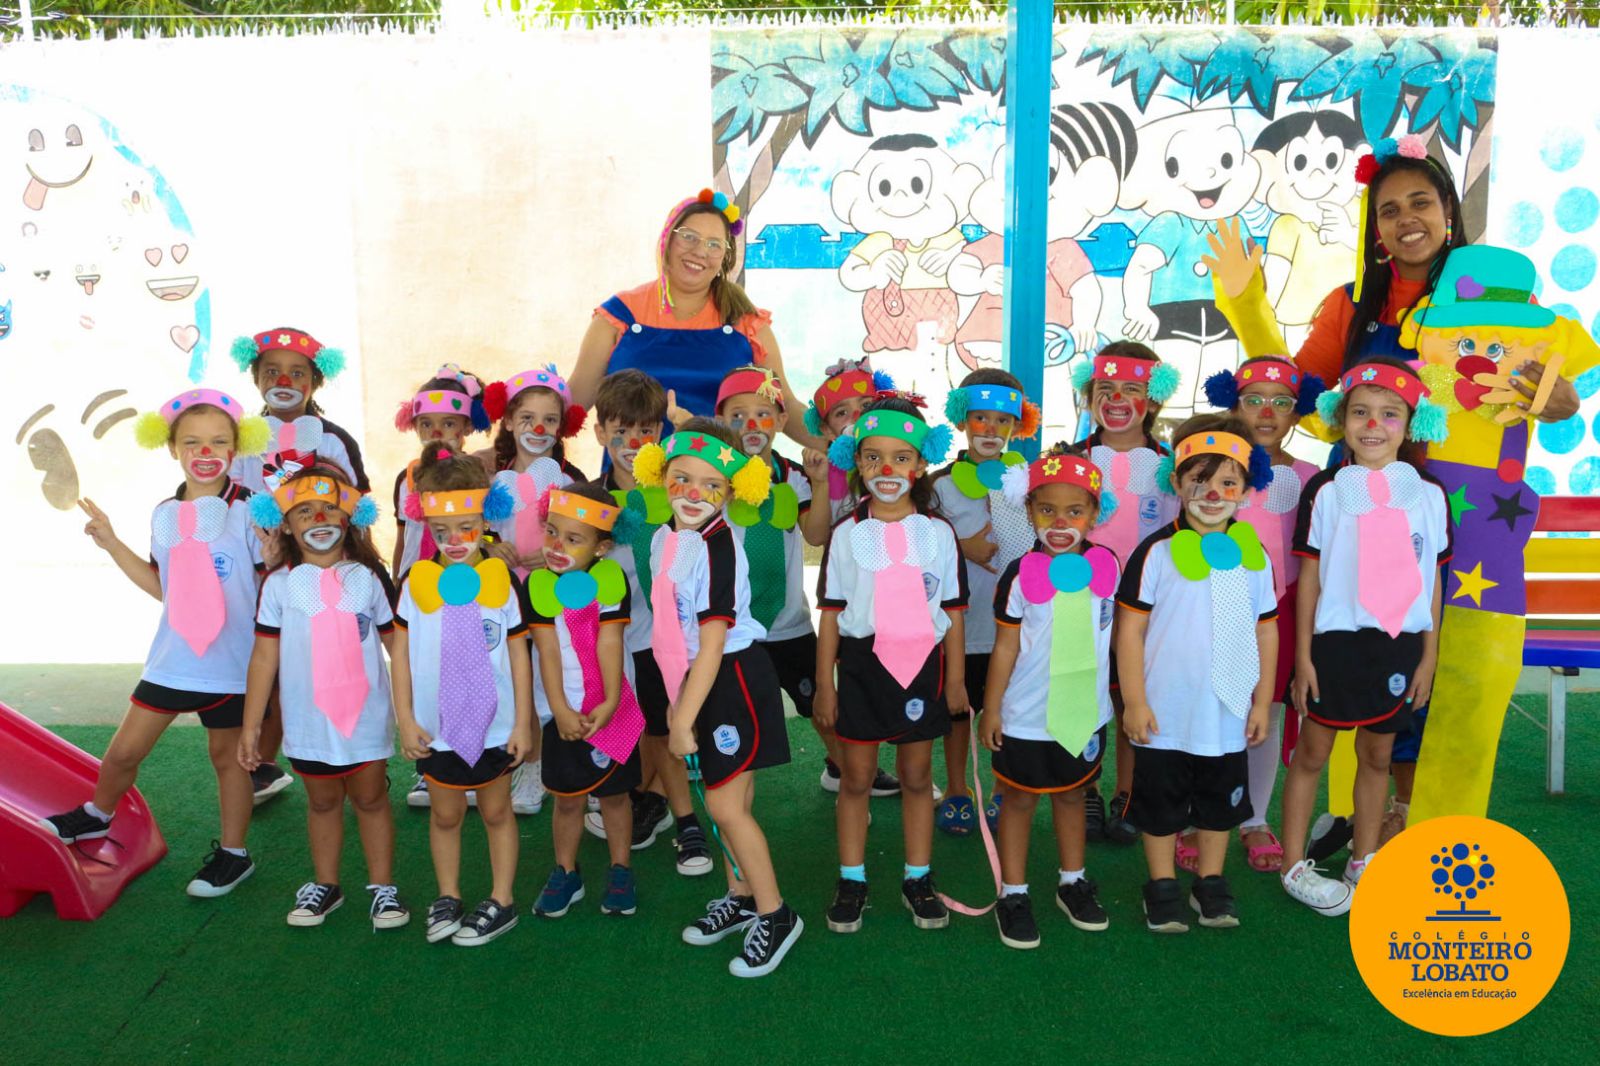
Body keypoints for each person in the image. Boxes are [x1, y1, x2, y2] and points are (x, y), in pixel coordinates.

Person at [1204, 134, 1584, 834]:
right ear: (1374, 229)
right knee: (1362, 664)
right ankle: (1357, 823)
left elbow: (1560, 401)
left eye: (1421, 202)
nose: (1406, 219)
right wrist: (1247, 307)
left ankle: (1438, 832)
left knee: (1463, 679)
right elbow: (1302, 401)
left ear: (1448, 211)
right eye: (1389, 209)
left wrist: (1544, 390)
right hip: (1361, 522)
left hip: (1475, 526)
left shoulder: (1506, 302)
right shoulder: (1351, 305)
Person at [45, 389, 269, 899]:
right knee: (124, 751)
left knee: (228, 759)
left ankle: (234, 854)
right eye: (191, 442)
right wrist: (111, 542)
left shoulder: (252, 510)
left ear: (236, 448)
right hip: (174, 658)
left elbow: (269, 584)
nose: (205, 451)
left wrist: (276, 555)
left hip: (232, 663)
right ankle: (98, 814)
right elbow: (164, 587)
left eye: (219, 441)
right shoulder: (164, 513)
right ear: (172, 448)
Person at [633, 420, 802, 977]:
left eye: (711, 485)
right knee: (722, 802)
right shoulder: (664, 537)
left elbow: (711, 642)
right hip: (698, 678)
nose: (693, 494)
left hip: (732, 677)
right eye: (681, 478)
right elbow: (671, 628)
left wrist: (683, 717)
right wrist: (677, 695)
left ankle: (776, 913)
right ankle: (742, 895)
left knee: (727, 807)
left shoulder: (720, 547)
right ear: (661, 475)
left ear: (731, 491)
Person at [1281, 359, 1449, 915]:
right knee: (1313, 752)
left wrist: (1428, 657)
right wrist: (1304, 658)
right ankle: (1293, 864)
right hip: (1335, 644)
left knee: (1377, 755)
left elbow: (1433, 581)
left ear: (1411, 424)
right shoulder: (1326, 491)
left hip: (1400, 645)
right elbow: (1310, 577)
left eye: (1389, 414)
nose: (1373, 425)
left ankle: (1364, 857)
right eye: (1360, 412)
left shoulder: (1430, 494)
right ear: (1341, 419)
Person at [1116, 415, 1277, 932]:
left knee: (1219, 804)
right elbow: (1130, 632)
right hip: (1165, 709)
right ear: (1176, 482)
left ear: (1247, 490)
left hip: (1226, 711)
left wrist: (1261, 701)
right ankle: (1162, 886)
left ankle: (1211, 882)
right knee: (1160, 804)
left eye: (1228, 482)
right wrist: (1135, 701)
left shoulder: (1255, 558)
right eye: (1199, 480)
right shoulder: (1155, 552)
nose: (1212, 494)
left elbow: (1266, 631)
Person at [816, 398, 968, 935]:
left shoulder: (939, 532)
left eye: (901, 458)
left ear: (921, 465)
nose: (887, 469)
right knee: (857, 777)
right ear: (857, 462)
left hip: (922, 664)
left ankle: (917, 878)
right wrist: (827, 685)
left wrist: (955, 680)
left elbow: (953, 609)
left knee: (917, 776)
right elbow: (831, 613)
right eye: (874, 457)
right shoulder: (845, 532)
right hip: (862, 666)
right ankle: (852, 879)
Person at [238, 463, 407, 929]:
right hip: (308, 719)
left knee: (371, 799)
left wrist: (413, 712)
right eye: (304, 511)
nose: (318, 519)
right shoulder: (277, 584)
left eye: (330, 508)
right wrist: (252, 726)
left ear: (350, 517)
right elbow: (263, 659)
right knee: (322, 802)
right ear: (286, 525)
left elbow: (397, 647)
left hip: (366, 716)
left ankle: (383, 887)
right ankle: (326, 885)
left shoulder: (369, 577)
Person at [391, 445, 534, 947]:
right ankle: (448, 895)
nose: (454, 541)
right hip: (437, 726)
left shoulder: (502, 584)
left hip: (495, 724)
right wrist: (406, 719)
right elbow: (400, 657)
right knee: (445, 814)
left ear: (485, 520)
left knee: (497, 812)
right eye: (441, 531)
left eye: (466, 528)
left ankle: (502, 898)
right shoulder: (415, 586)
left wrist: (523, 724)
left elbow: (519, 655)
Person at [982, 450, 1119, 949]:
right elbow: (1005, 647)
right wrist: (992, 708)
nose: (1060, 523)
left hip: (1084, 712)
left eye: (1074, 512)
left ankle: (1072, 881)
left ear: (1094, 514)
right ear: (1029, 511)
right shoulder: (1019, 575)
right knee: (1018, 799)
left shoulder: (1109, 565)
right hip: (1026, 716)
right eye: (1047, 511)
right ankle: (1014, 893)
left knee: (1073, 794)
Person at [228, 326, 369, 805]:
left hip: (326, 571)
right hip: (260, 572)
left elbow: (356, 506)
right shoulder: (243, 438)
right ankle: (262, 764)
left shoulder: (334, 439)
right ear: (256, 378)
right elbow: (233, 498)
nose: (283, 381)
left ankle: (353, 756)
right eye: (271, 372)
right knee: (269, 667)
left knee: (325, 663)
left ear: (315, 380)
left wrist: (356, 567)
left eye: (296, 373)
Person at [1199, 357, 1326, 874]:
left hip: (1281, 609)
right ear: (1233, 404)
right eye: (1254, 400)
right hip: (1209, 603)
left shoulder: (1310, 478)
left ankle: (1253, 818)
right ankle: (1197, 817)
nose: (1266, 413)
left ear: (1298, 411)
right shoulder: (1209, 468)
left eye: (1280, 402)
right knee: (1208, 707)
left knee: (1265, 712)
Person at [568, 188, 817, 446]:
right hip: (628, 471)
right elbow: (574, 402)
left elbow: (785, 405)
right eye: (689, 237)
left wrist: (837, 445)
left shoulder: (748, 324)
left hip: (720, 471)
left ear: (725, 256)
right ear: (667, 239)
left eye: (714, 244)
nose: (700, 252)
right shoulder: (618, 316)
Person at [587, 369, 712, 871]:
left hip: (669, 639)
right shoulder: (590, 501)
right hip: (611, 640)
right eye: (621, 432)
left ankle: (687, 823)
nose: (634, 443)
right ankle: (636, 797)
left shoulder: (675, 493)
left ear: (660, 432)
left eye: (645, 431)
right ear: (600, 433)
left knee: (664, 729)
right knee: (632, 729)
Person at [1066, 343, 1182, 843]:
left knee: (1135, 696)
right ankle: (1086, 791)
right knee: (1083, 697)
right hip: (1080, 604)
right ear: (1088, 394)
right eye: (1105, 389)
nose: (1116, 400)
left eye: (1130, 389)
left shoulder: (1171, 466)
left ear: (1153, 399)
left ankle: (1128, 794)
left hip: (1148, 610)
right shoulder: (1070, 459)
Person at [930, 370, 1042, 835]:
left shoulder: (1029, 481)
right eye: (981, 418)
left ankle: (1000, 789)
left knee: (1007, 711)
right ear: (962, 420)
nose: (991, 429)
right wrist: (963, 547)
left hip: (1014, 630)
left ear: (1018, 425)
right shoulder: (939, 486)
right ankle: (958, 788)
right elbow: (921, 545)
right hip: (961, 626)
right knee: (957, 712)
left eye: (1002, 420)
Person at [529, 482, 645, 919]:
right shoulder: (539, 585)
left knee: (615, 796)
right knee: (568, 798)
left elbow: (610, 642)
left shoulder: (610, 581)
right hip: (561, 711)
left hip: (611, 705)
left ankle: (620, 869)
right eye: (551, 532)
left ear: (601, 547)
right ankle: (565, 871)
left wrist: (611, 701)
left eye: (573, 539)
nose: (557, 546)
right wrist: (560, 708)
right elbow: (548, 651)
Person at [484, 364, 591, 819]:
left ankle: (569, 759)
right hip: (506, 598)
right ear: (508, 421)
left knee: (559, 676)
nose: (538, 428)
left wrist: (553, 555)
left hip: (555, 598)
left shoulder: (571, 481)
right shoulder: (493, 479)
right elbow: (479, 530)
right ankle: (527, 761)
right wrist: (492, 547)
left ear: (562, 426)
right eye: (527, 418)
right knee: (517, 677)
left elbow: (588, 538)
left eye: (549, 419)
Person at [393, 364, 501, 812]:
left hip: (468, 580)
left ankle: (479, 749)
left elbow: (485, 529)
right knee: (428, 666)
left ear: (467, 426)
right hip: (422, 584)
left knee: (473, 661)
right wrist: (398, 574)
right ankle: (431, 759)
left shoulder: (478, 474)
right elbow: (404, 534)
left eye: (448, 423)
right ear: (415, 426)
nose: (437, 433)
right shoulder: (406, 477)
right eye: (427, 424)